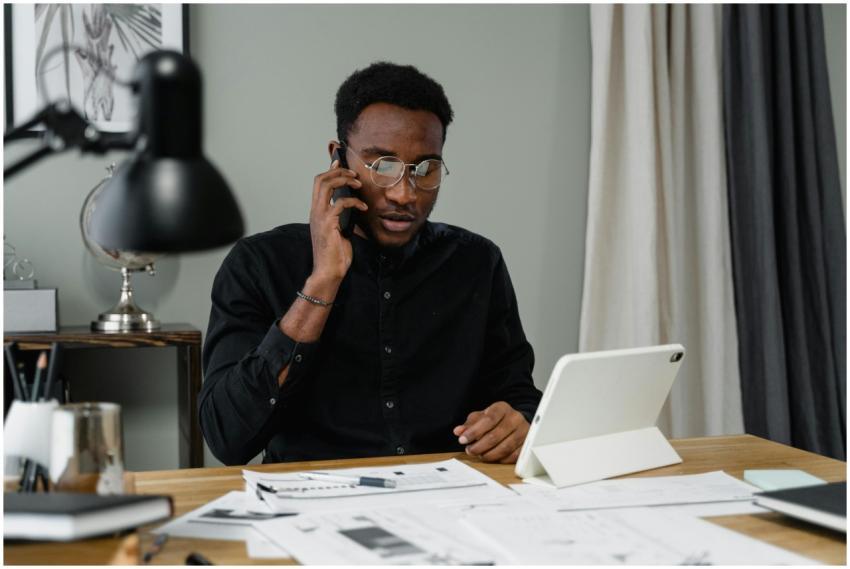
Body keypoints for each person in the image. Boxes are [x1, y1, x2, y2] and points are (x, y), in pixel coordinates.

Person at [200, 62, 542, 466]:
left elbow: (518, 395)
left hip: (446, 492)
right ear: (338, 160)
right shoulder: (259, 264)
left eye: (426, 169)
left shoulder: (477, 263)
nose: (404, 194)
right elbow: (227, 438)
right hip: (311, 497)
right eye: (384, 166)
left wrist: (518, 422)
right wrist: (322, 282)